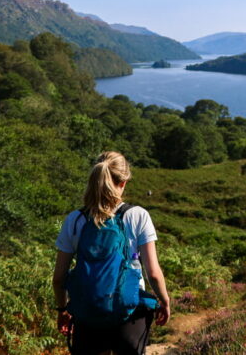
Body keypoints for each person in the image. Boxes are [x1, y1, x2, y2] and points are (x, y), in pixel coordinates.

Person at [52, 151, 171, 355]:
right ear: (124, 182)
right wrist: (164, 301)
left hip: (87, 313)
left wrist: (63, 310)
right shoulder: (138, 216)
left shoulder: (75, 220)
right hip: (129, 312)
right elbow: (152, 273)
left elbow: (58, 278)